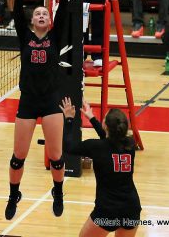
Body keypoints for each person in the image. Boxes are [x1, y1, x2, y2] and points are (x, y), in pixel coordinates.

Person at [4, 0, 68, 220]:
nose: (42, 14)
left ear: (50, 21)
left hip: (51, 101)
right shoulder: (25, 37)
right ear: (32, 21)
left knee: (56, 156)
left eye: (45, 13)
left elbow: (63, 13)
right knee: (19, 156)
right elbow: (17, 12)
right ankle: (13, 195)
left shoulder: (55, 36)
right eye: (38, 13)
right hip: (28, 101)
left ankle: (59, 192)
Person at [60, 97, 141, 237]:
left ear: (105, 125)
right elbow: (109, 139)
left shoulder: (95, 147)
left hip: (108, 210)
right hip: (131, 208)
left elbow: (68, 147)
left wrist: (68, 119)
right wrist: (91, 117)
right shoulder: (130, 144)